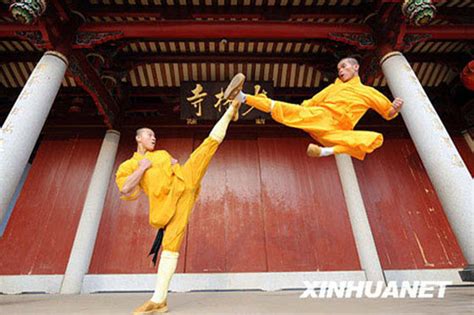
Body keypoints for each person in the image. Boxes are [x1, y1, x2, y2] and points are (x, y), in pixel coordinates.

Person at [116, 101, 240, 314]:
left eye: (154, 135)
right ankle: (159, 301)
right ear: (138, 138)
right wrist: (142, 168)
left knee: (205, 148)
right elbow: (125, 188)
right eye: (149, 134)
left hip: (185, 181)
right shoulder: (128, 165)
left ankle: (230, 111)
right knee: (170, 247)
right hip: (169, 208)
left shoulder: (162, 154)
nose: (153, 137)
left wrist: (172, 164)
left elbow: (173, 165)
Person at [224, 57, 404, 160]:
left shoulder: (368, 92)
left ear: (355, 67)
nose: (340, 70)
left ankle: (324, 152)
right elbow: (311, 102)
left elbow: (387, 113)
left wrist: (395, 108)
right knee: (284, 109)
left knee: (367, 141)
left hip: (337, 131)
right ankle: (242, 97)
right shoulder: (333, 87)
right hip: (320, 117)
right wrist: (301, 111)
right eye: (338, 68)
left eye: (344, 66)